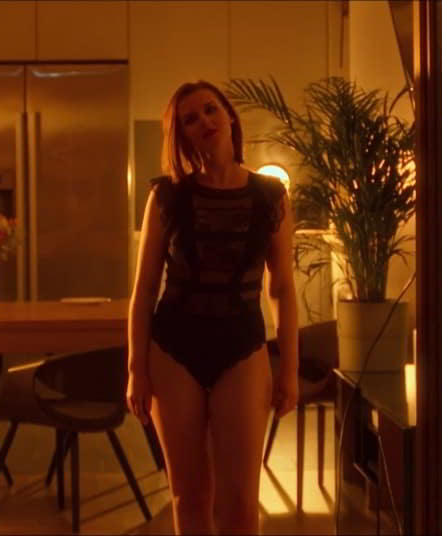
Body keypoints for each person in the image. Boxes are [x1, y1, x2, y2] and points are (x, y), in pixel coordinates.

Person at [126, 80, 299, 535]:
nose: (203, 121)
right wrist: (136, 368)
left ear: (229, 116)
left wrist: (290, 370)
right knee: (189, 497)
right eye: (190, 118)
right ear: (180, 136)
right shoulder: (167, 196)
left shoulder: (271, 196)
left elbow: (282, 287)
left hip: (242, 347)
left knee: (241, 503)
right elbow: (144, 289)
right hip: (173, 349)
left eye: (210, 109)